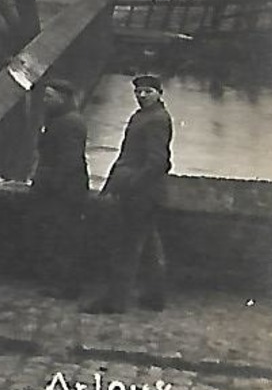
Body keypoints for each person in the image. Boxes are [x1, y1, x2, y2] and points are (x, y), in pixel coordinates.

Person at [85, 75, 174, 314]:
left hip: (140, 195)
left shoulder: (155, 120)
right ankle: (155, 296)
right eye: (138, 92)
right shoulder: (145, 116)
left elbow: (158, 162)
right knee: (147, 246)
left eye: (147, 91)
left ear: (159, 93)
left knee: (126, 247)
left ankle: (115, 301)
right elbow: (128, 155)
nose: (141, 96)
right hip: (148, 194)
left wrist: (131, 183)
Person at [29, 79, 88, 300]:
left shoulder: (70, 123)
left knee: (64, 238)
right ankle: (60, 283)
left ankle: (67, 286)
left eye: (49, 96)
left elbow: (68, 161)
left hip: (65, 192)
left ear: (62, 98)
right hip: (61, 189)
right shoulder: (61, 118)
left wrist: (50, 185)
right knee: (58, 237)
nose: (45, 101)